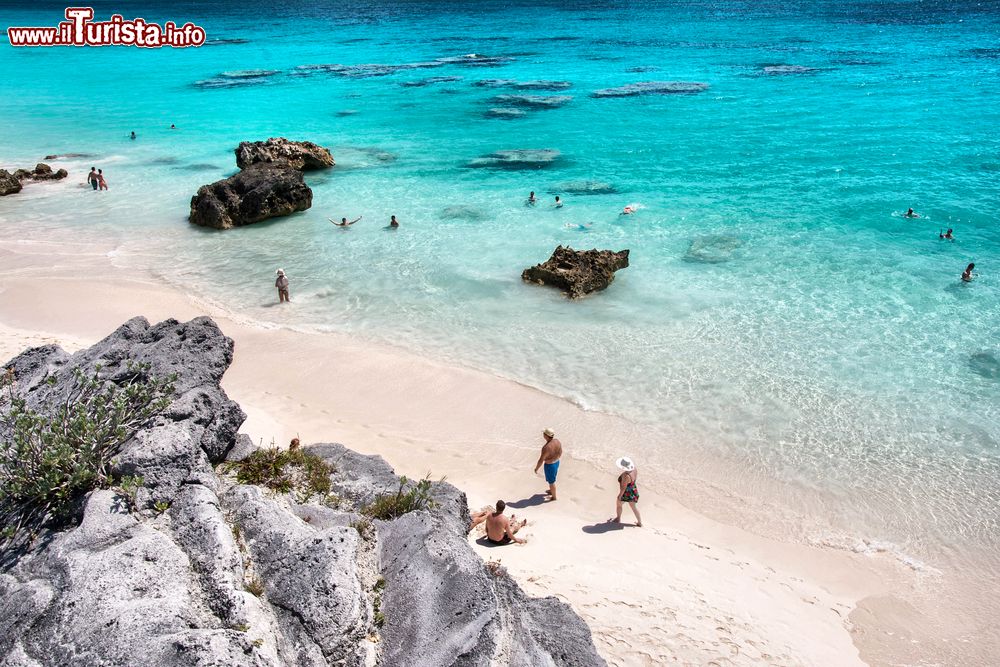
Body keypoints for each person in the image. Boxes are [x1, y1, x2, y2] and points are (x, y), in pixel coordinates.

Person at [533, 428, 562, 500]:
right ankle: (551, 490)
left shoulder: (546, 448)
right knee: (552, 479)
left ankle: (554, 497)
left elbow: (541, 460)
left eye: (544, 433)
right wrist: (555, 459)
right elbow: (560, 452)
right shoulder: (557, 441)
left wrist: (536, 468)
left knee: (551, 482)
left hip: (550, 466)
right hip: (557, 462)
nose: (543, 434)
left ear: (546, 436)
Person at [613, 456, 642, 527]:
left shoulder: (626, 476)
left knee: (619, 505)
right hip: (633, 490)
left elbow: (623, 488)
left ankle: (618, 518)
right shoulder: (634, 469)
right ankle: (639, 522)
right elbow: (633, 480)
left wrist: (620, 496)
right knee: (634, 507)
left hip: (626, 493)